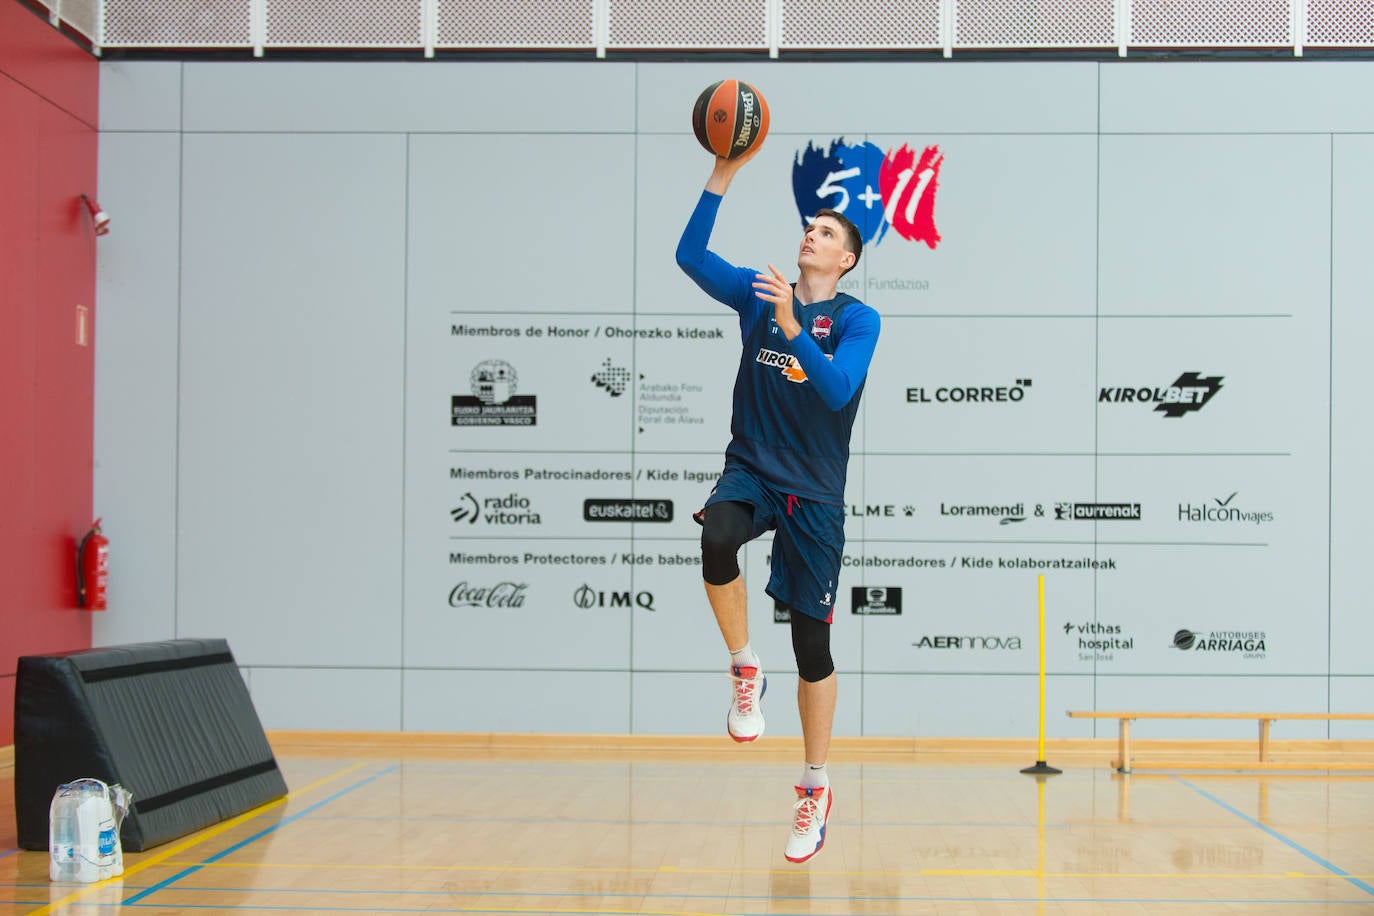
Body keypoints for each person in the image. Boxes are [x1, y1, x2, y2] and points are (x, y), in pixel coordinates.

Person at [675, 142, 880, 864]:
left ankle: (815, 786)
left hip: (815, 495)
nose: (811, 235)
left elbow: (836, 391)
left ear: (846, 259)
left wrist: (794, 327)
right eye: (809, 227)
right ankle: (741, 667)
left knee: (813, 649)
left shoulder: (860, 321)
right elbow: (690, 257)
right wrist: (721, 176)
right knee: (715, 540)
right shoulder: (761, 297)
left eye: (827, 233)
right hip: (752, 469)